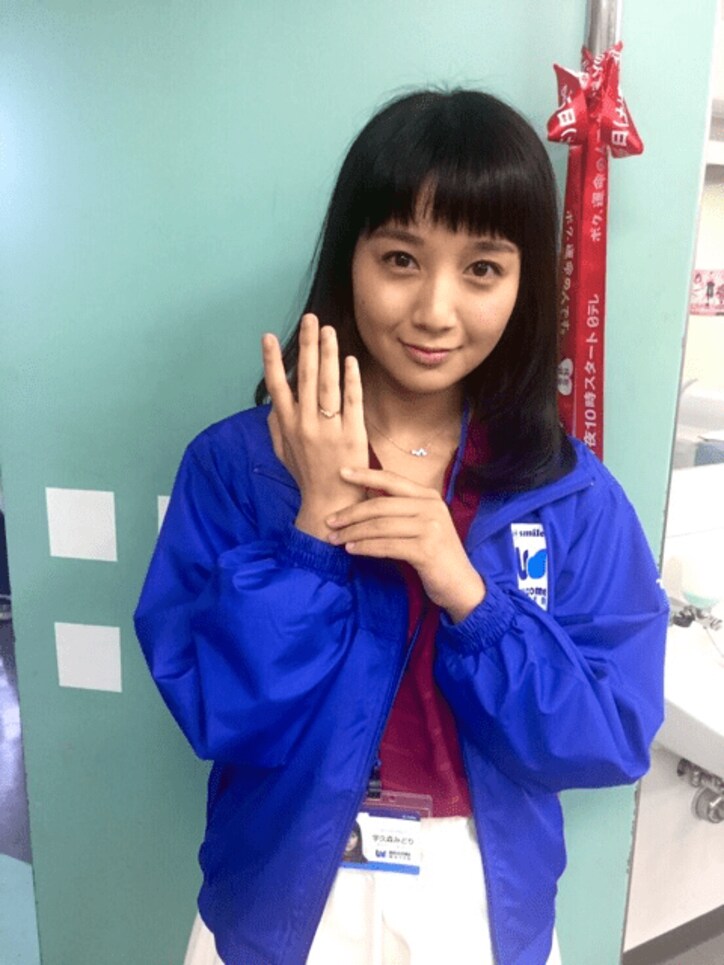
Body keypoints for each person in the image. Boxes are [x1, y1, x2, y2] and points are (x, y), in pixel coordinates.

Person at [134, 88, 668, 965]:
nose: (435, 310)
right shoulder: (238, 465)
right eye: (400, 258)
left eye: (482, 269)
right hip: (284, 899)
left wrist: (469, 596)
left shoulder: (569, 494)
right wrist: (311, 533)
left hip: (479, 900)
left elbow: (609, 732)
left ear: (526, 283)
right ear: (350, 257)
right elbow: (216, 710)